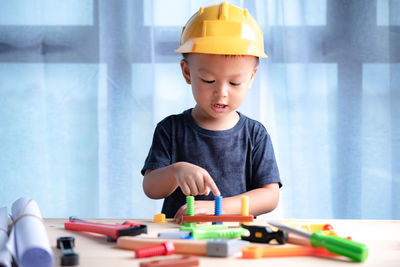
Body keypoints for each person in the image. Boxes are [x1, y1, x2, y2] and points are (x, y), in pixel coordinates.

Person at [142, 2, 281, 224]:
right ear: (187, 73)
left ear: (251, 78)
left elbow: (270, 196)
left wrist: (216, 208)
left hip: (236, 237)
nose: (221, 93)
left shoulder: (255, 134)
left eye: (235, 83)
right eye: (208, 80)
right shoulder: (170, 129)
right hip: (180, 237)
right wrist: (176, 171)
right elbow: (150, 188)